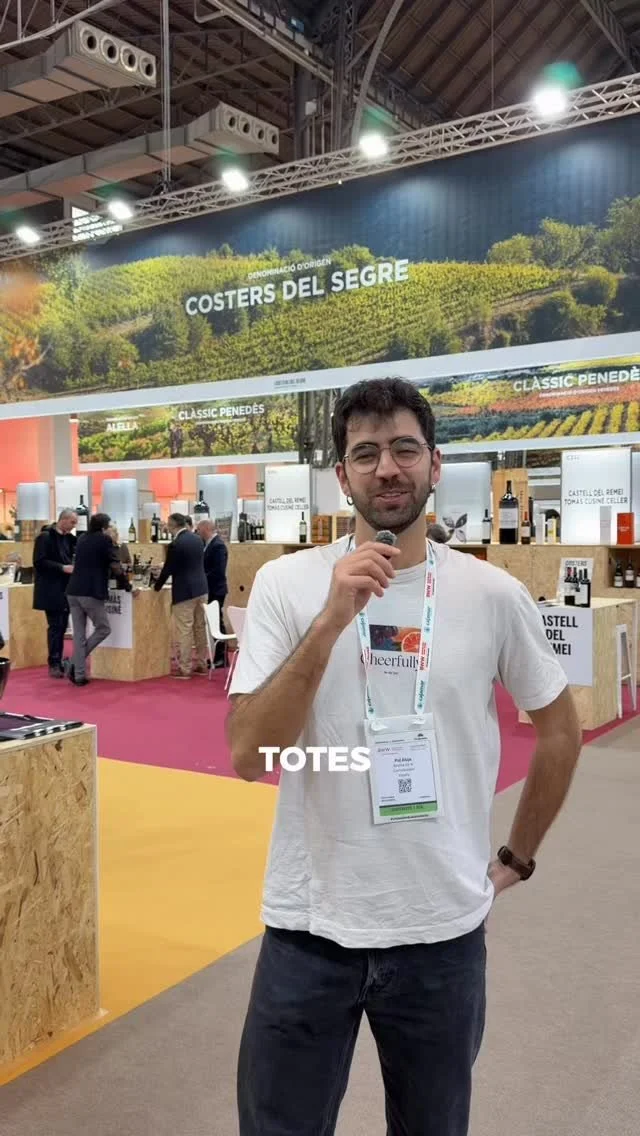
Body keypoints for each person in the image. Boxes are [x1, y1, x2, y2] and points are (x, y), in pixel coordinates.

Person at [227, 377, 582, 1136]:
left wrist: (518, 857)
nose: (387, 468)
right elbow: (249, 755)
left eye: (404, 449)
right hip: (309, 928)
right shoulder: (288, 586)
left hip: (440, 933)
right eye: (366, 453)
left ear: (435, 463)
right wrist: (331, 620)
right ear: (341, 475)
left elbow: (560, 727)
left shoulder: (491, 594)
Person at [66, 512, 134, 686]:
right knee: (103, 628)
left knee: (79, 635)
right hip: (91, 592)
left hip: (73, 590)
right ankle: (74, 662)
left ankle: (79, 674)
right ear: (104, 527)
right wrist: (127, 586)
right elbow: (115, 566)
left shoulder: (82, 538)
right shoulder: (104, 540)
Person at [153, 513, 208, 679]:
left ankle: (185, 668)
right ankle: (202, 664)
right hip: (202, 588)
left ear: (172, 525)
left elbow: (168, 569)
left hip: (184, 591)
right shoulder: (197, 539)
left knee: (185, 630)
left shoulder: (176, 544)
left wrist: (156, 587)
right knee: (200, 628)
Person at [32, 508, 78, 678]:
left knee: (61, 626)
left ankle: (58, 661)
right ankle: (54, 663)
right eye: (72, 522)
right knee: (56, 627)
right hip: (50, 590)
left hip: (65, 588)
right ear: (63, 520)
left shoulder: (70, 539)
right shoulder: (45, 537)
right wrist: (62, 568)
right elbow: (39, 562)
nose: (74, 526)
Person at [197, 517, 229, 668]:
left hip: (216, 589)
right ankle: (218, 656)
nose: (198, 532)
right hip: (211, 589)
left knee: (217, 623)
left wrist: (201, 578)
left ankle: (222, 657)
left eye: (199, 529)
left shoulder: (218, 546)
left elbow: (218, 571)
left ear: (206, 529)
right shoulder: (209, 544)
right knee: (213, 623)